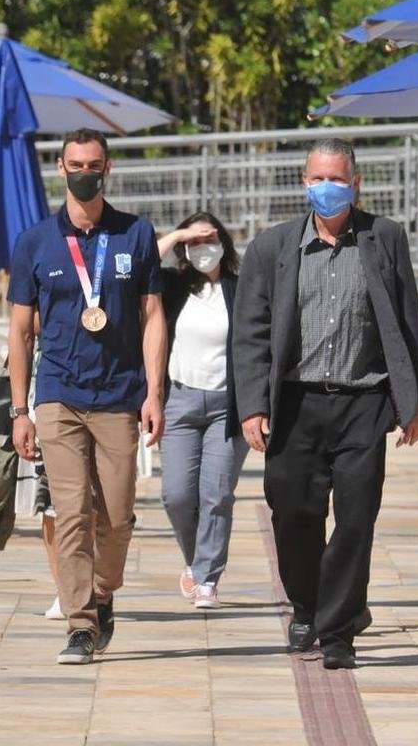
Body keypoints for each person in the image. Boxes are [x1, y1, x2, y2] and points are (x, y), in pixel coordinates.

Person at [232, 137, 418, 670]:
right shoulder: (271, 248)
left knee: (356, 517)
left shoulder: (384, 238)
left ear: (356, 183)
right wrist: (252, 404)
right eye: (318, 179)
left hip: (363, 401)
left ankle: (339, 628)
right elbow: (250, 334)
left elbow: (410, 323)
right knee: (292, 512)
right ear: (304, 183)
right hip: (294, 403)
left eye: (338, 179)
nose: (328, 188)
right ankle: (307, 603)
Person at [7, 127, 166, 665]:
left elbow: (152, 318)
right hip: (58, 395)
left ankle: (101, 596)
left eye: (93, 165)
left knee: (116, 516)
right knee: (71, 511)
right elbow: (20, 331)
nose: (84, 173)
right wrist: (19, 409)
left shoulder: (136, 234)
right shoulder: (34, 242)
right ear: (60, 168)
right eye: (75, 165)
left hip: (120, 395)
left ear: (108, 169)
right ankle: (79, 625)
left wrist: (154, 393)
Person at [155, 212, 248, 609]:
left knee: (216, 494)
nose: (201, 249)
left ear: (224, 244)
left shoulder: (240, 289)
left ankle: (207, 576)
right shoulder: (174, 287)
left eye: (208, 240)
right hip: (180, 400)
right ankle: (196, 560)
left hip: (228, 404)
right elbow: (143, 263)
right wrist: (179, 234)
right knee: (176, 495)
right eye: (194, 243)